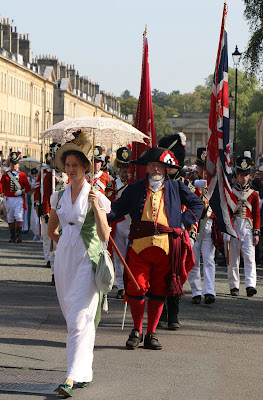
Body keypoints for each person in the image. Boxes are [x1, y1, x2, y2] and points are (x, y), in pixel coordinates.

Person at [108, 147, 203, 350]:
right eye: (152, 165)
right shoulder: (134, 189)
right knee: (136, 287)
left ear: (166, 168)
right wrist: (99, 207)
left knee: (160, 290)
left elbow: (198, 205)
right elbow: (115, 210)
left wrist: (183, 223)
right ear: (147, 168)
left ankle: (151, 332)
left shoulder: (177, 187)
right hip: (139, 248)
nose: (156, 168)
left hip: (167, 248)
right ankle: (136, 330)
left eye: (159, 165)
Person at [48, 133, 110, 398]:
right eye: (68, 165)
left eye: (76, 164)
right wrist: (66, 243)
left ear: (87, 166)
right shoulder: (59, 195)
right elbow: (51, 230)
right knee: (73, 317)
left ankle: (70, 377)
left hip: (87, 259)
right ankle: (85, 371)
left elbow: (105, 236)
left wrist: (96, 208)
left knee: (79, 318)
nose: (71, 169)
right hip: (65, 260)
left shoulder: (96, 195)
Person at [187, 148, 222, 305]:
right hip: (194, 225)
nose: (202, 170)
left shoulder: (214, 183)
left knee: (209, 259)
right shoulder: (189, 183)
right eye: (200, 167)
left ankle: (209, 291)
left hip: (208, 223)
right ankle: (196, 291)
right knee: (193, 260)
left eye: (205, 167)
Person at [225, 156, 260, 297]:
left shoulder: (254, 195)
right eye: (241, 175)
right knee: (233, 258)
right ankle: (234, 286)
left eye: (246, 175)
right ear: (237, 175)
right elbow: (227, 211)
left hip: (248, 228)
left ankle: (250, 285)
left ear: (249, 175)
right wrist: (226, 230)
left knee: (249, 257)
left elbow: (257, 214)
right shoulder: (232, 193)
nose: (244, 178)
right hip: (234, 226)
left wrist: (256, 232)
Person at [106, 146, 132, 299]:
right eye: (122, 166)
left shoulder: (135, 183)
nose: (125, 169)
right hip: (119, 222)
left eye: (127, 166)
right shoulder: (113, 184)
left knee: (133, 257)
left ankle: (131, 285)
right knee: (119, 257)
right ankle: (121, 286)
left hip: (132, 222)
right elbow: (110, 203)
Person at [1, 152, 31, 242]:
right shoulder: (5, 175)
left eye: (15, 163)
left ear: (18, 164)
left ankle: (18, 236)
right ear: (10, 164)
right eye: (12, 163)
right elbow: (1, 185)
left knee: (18, 216)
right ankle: (12, 236)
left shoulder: (22, 175)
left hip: (18, 199)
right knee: (10, 217)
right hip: (8, 199)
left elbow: (28, 187)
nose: (13, 165)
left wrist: (21, 191)